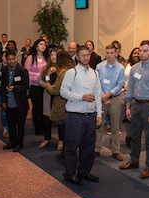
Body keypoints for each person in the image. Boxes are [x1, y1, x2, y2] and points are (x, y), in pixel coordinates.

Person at [120, 40, 149, 179]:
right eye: (140, 50)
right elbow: (130, 89)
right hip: (135, 105)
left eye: (145, 51)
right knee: (134, 136)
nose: (141, 53)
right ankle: (134, 161)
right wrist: (128, 107)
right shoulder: (135, 68)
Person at [60, 46, 102, 185]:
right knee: (72, 147)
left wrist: (99, 114)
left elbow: (97, 95)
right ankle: (69, 174)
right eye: (82, 55)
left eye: (87, 55)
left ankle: (84, 172)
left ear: (90, 56)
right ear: (77, 57)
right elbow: (63, 92)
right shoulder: (71, 73)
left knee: (88, 148)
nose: (85, 57)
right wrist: (81, 97)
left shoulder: (94, 73)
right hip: (75, 116)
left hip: (90, 116)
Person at [94, 43, 126, 161]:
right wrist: (102, 96)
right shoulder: (99, 66)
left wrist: (108, 95)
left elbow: (120, 85)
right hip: (100, 98)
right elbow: (96, 82)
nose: (109, 55)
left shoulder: (121, 68)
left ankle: (115, 150)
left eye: (111, 53)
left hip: (115, 99)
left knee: (115, 127)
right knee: (99, 125)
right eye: (107, 53)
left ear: (116, 53)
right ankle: (96, 148)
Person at [42, 50, 75, 157]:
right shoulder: (73, 70)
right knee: (69, 131)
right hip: (70, 104)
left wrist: (47, 85)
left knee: (65, 130)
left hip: (62, 104)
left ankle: (66, 153)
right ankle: (67, 151)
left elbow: (55, 90)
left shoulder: (63, 72)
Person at [1, 51, 30, 152]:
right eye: (9, 59)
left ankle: (19, 143)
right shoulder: (4, 70)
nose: (11, 61)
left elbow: (26, 86)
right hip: (9, 102)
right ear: (6, 60)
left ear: (16, 58)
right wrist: (3, 101)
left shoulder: (22, 70)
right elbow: (3, 87)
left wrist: (15, 88)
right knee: (11, 124)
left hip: (20, 103)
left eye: (13, 59)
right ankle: (12, 141)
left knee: (20, 125)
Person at [25, 39, 49, 136]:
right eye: (41, 44)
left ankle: (44, 127)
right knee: (36, 108)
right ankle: (37, 127)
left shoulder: (46, 58)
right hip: (35, 86)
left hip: (45, 86)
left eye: (44, 44)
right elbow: (26, 72)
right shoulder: (31, 58)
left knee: (44, 107)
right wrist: (38, 75)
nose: (43, 46)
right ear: (36, 46)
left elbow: (48, 71)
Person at [37, 47, 58, 149]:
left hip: (58, 98)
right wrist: (45, 85)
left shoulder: (63, 69)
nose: (54, 57)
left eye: (55, 55)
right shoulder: (45, 68)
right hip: (47, 96)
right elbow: (40, 80)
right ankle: (47, 138)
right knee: (46, 119)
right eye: (52, 55)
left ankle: (61, 141)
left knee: (59, 120)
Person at [123, 47, 140, 148]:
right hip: (123, 93)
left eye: (138, 53)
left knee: (132, 118)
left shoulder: (142, 66)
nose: (136, 55)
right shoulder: (126, 64)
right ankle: (125, 136)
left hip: (135, 95)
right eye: (134, 53)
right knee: (123, 117)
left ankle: (131, 137)